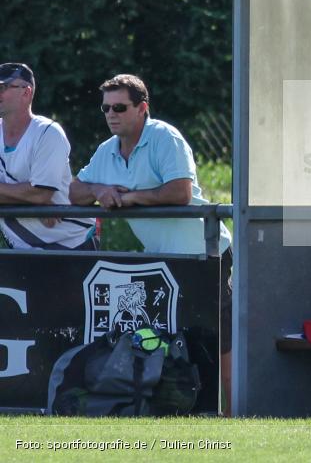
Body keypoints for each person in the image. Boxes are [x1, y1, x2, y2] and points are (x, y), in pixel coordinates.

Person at [68, 74, 234, 415]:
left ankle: (235, 412)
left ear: (142, 108)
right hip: (163, 261)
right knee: (175, 339)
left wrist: (131, 198)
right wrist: (100, 191)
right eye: (105, 108)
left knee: (221, 339)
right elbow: (74, 191)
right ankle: (180, 409)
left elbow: (180, 192)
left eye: (119, 107)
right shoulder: (107, 150)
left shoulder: (164, 137)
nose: (111, 114)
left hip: (206, 251)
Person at [0, 62, 95, 249]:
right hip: (20, 246)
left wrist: (38, 198)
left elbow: (41, 193)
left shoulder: (48, 132)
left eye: (2, 87)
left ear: (26, 92)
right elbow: (37, 197)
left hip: (70, 244)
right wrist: (32, 201)